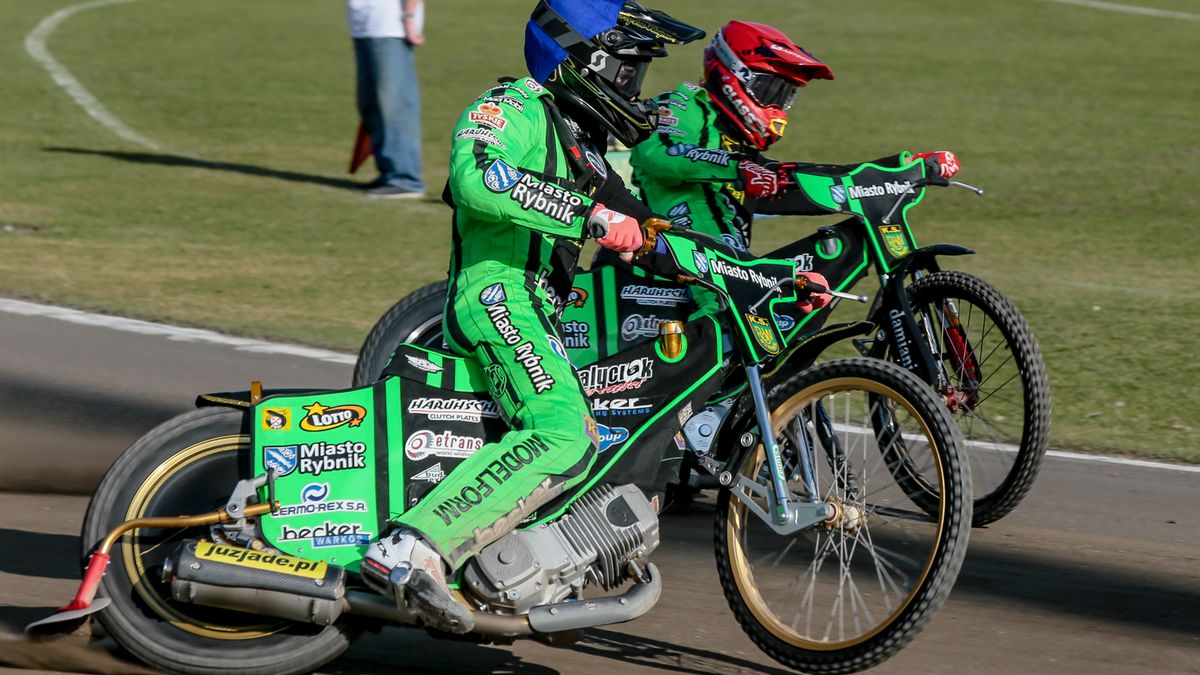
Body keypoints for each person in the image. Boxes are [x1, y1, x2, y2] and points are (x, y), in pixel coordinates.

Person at [359, 0, 706, 633]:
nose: (635, 87)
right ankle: (409, 549)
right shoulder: (511, 107)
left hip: (540, 306)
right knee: (563, 432)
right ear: (578, 59)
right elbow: (477, 179)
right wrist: (591, 217)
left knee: (597, 433)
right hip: (496, 294)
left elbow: (659, 239)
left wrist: (769, 277)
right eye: (627, 70)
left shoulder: (584, 145)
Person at [629, 21, 960, 312]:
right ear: (732, 76)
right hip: (651, 273)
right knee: (732, 305)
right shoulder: (683, 104)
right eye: (770, 90)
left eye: (784, 96)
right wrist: (738, 167)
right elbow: (658, 155)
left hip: (719, 266)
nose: (777, 107)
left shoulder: (738, 146)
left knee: (790, 298)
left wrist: (898, 171)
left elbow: (795, 182)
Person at [346, 0, 427, 199]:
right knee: (371, 104)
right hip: (364, 26)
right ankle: (389, 173)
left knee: (394, 106)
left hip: (391, 26)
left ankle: (405, 179)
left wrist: (408, 17)